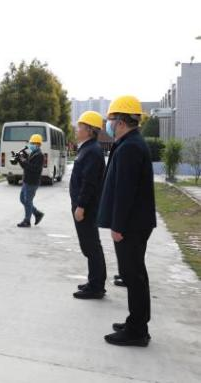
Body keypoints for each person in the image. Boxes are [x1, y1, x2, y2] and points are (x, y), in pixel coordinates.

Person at [98, 96, 156, 347]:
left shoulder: (130, 147)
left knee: (133, 276)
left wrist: (118, 225)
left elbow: (125, 190)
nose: (109, 125)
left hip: (131, 225)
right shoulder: (130, 143)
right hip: (136, 223)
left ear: (121, 122)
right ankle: (137, 322)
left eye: (111, 120)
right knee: (135, 274)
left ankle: (137, 330)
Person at [70, 111, 107, 300]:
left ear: (89, 130)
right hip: (83, 205)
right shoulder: (87, 148)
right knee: (89, 245)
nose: (77, 129)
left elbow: (89, 182)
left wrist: (81, 206)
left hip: (86, 207)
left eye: (80, 126)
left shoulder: (92, 151)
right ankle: (94, 281)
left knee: (91, 246)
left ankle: (96, 286)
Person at [16, 134, 45, 228]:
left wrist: (24, 161)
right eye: (31, 143)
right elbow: (25, 167)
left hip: (32, 182)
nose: (31, 144)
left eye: (33, 143)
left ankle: (27, 221)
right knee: (22, 199)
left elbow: (34, 169)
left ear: (38, 144)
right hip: (26, 181)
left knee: (28, 201)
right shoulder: (33, 153)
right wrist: (19, 159)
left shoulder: (39, 156)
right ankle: (37, 213)